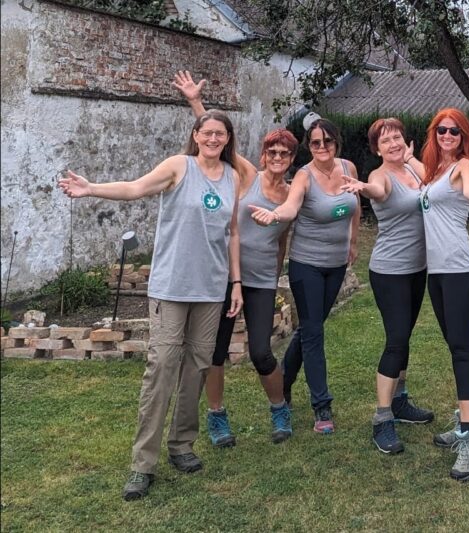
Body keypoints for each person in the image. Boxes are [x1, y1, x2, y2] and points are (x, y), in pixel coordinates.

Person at [58, 109, 243, 501]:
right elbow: (135, 188)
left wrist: (236, 282)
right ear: (196, 135)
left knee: (197, 367)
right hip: (172, 287)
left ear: (228, 140)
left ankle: (182, 445)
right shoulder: (179, 166)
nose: (213, 139)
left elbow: (233, 233)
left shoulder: (232, 177)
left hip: (210, 289)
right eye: (206, 132)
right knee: (162, 366)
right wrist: (91, 188)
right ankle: (143, 463)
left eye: (220, 134)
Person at [172, 71, 295, 447]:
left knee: (260, 351)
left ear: (291, 158)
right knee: (215, 351)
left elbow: (281, 243)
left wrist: (275, 279)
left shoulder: (292, 195)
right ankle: (217, 416)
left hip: (259, 282)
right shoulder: (248, 176)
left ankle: (279, 408)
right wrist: (195, 101)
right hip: (221, 276)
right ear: (263, 156)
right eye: (271, 151)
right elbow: (216, 136)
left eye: (284, 153)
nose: (276, 157)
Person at [250, 118, 360, 435]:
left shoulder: (349, 168)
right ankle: (321, 406)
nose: (322, 147)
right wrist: (274, 215)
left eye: (327, 141)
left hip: (336, 264)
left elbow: (355, 205)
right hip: (306, 265)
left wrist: (353, 241)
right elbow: (290, 206)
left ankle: (283, 383)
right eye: (315, 143)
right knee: (313, 333)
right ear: (309, 146)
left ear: (336, 143)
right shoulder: (304, 176)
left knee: (311, 328)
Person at [408, 108, 469, 482]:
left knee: (462, 349)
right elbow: (419, 172)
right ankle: (466, 420)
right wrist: (407, 156)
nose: (448, 136)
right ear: (434, 134)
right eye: (442, 130)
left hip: (461, 270)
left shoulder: (463, 166)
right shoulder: (432, 172)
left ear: (464, 137)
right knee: (454, 347)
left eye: (455, 132)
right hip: (438, 274)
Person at [340, 118, 434, 454]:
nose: (392, 143)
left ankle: (400, 401)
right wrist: (363, 189)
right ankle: (382, 418)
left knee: (404, 337)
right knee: (395, 340)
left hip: (417, 268)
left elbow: (433, 180)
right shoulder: (380, 176)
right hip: (390, 270)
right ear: (376, 148)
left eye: (397, 138)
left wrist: (410, 158)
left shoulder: (413, 171)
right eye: (385, 140)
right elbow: (378, 190)